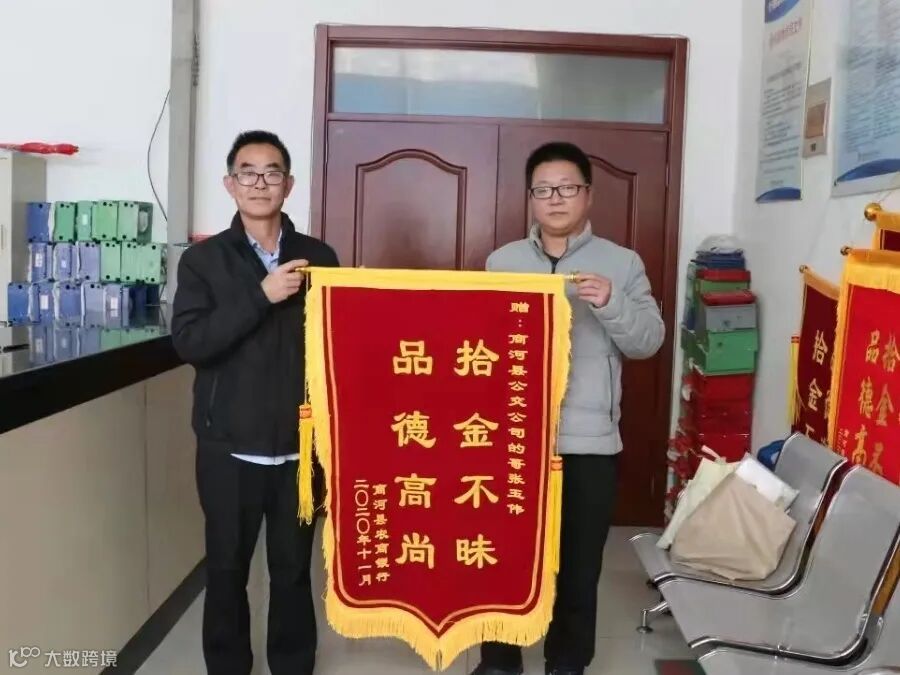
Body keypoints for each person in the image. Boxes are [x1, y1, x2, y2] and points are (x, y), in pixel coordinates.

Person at [472, 141, 665, 675]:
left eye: (567, 188)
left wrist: (612, 302)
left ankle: (567, 663)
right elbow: (478, 345)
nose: (555, 198)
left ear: (588, 195)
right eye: (543, 189)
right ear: (530, 198)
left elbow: (648, 342)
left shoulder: (622, 263)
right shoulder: (502, 262)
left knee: (578, 567)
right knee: (503, 559)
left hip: (588, 443)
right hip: (512, 440)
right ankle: (499, 662)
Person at [171, 130, 339, 675]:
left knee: (292, 573)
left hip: (300, 448)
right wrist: (260, 295)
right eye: (248, 172)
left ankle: (293, 666)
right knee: (226, 571)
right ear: (230, 184)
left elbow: (336, 344)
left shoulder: (319, 257)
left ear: (289, 184)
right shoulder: (203, 261)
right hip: (229, 447)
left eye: (272, 173)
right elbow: (192, 343)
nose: (260, 183)